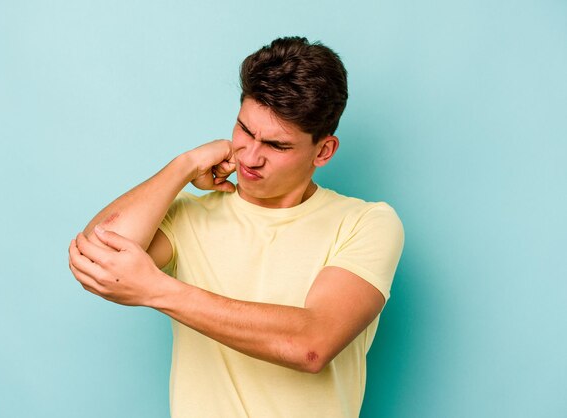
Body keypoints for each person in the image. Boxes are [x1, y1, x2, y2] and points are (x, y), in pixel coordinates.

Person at [68, 36, 404, 418]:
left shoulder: (366, 223)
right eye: (244, 130)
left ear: (323, 151)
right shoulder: (190, 215)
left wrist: (157, 290)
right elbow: (95, 255)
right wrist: (184, 166)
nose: (251, 156)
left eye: (277, 146)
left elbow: (312, 343)